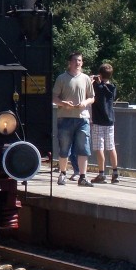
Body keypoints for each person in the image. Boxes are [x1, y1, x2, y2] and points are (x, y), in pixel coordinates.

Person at [53, 51, 94, 186]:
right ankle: (63, 174)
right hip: (65, 117)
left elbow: (92, 97)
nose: (78, 63)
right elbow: (53, 97)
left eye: (80, 61)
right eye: (75, 60)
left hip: (82, 118)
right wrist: (63, 103)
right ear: (69, 63)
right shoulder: (62, 78)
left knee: (83, 148)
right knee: (64, 148)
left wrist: (85, 103)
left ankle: (82, 176)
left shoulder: (86, 78)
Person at [90, 63, 120, 183]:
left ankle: (101, 174)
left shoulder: (97, 87)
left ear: (100, 74)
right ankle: (115, 173)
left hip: (98, 121)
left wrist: (93, 80)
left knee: (99, 148)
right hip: (110, 121)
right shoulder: (112, 87)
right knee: (111, 147)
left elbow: (93, 89)